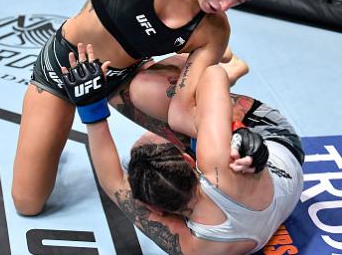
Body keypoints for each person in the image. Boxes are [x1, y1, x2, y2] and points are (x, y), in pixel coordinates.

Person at [11, 0, 276, 216]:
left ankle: (229, 68)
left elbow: (182, 109)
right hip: (67, 70)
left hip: (127, 78)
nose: (225, 6)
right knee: (28, 203)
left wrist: (232, 141)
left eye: (238, 1)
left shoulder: (213, 31)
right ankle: (49, 137)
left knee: (188, 104)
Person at [60, 43, 305, 255]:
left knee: (137, 108)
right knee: (157, 107)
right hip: (273, 136)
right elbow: (213, 74)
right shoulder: (220, 167)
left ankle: (218, 81)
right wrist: (236, 130)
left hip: (278, 175)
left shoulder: (193, 248)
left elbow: (112, 182)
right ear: (190, 161)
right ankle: (207, 81)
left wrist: (90, 107)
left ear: (154, 208)